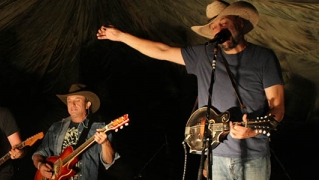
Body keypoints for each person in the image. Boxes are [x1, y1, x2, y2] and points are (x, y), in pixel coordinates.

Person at [97, 1, 284, 180]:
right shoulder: (204, 55)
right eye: (213, 27)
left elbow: (277, 107)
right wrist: (121, 36)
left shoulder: (263, 58)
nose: (218, 30)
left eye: (224, 23)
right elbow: (162, 50)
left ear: (240, 23)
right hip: (215, 157)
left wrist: (253, 131)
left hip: (253, 157)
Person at [32, 83, 120, 180]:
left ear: (87, 104)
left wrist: (105, 143)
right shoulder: (56, 127)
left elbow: (109, 161)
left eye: (77, 100)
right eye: (69, 101)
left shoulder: (99, 128)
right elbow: (38, 154)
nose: (72, 104)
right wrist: (40, 165)